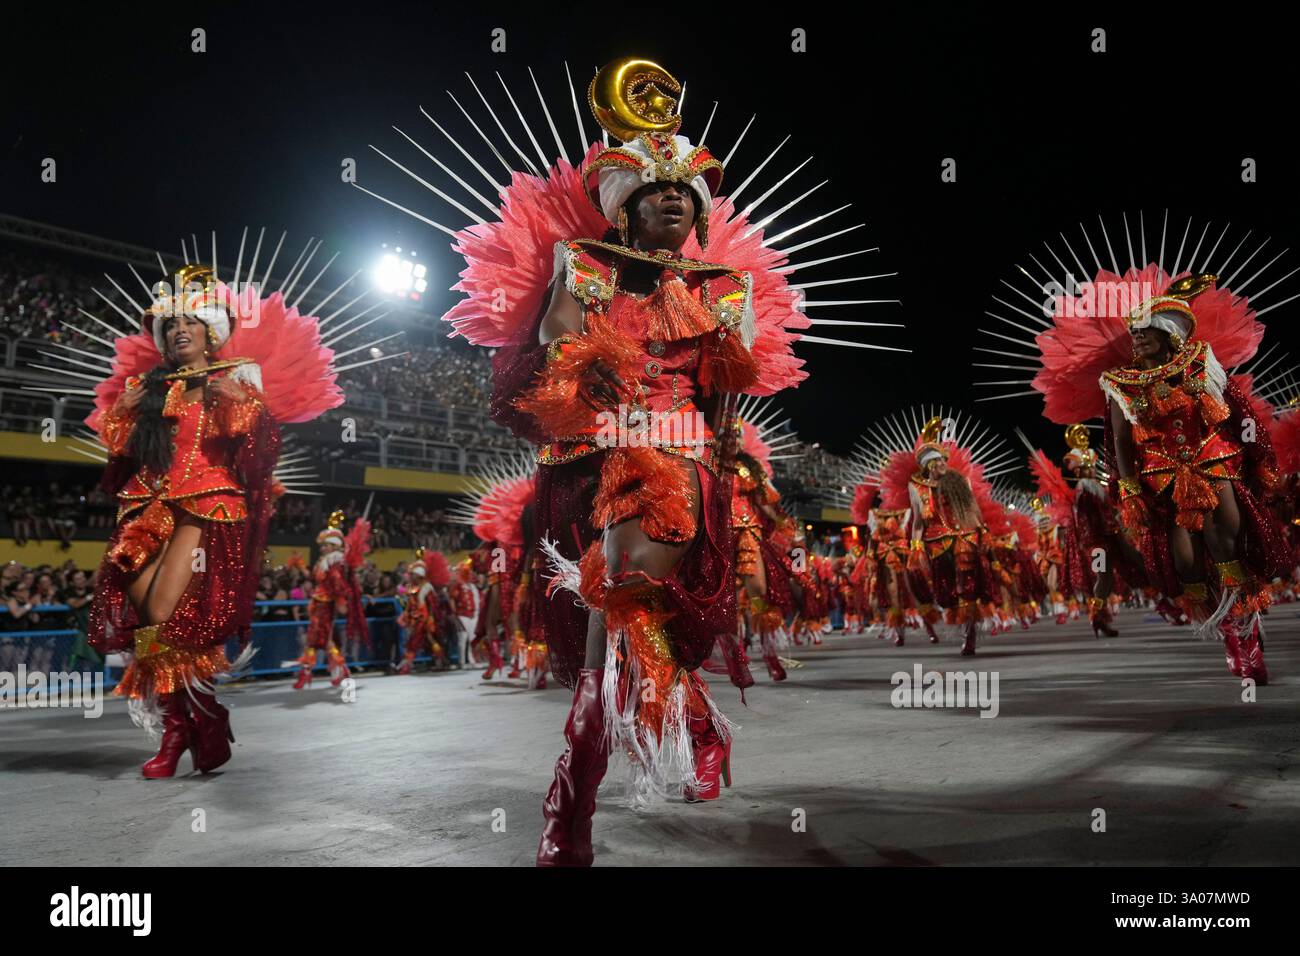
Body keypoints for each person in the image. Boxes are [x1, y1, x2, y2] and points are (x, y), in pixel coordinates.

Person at [81, 260, 348, 776]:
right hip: (145, 506)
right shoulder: (149, 387)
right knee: (148, 628)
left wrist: (244, 409)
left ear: (211, 330)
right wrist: (126, 410)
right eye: (171, 324)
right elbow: (119, 460)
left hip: (206, 505)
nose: (180, 331)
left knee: (162, 612)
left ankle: (185, 729)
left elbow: (258, 457)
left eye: (191, 322)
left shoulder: (236, 377)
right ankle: (186, 726)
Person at [294, 511, 371, 688]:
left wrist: (341, 602)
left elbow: (338, 584)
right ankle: (337, 670)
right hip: (320, 603)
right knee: (321, 639)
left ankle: (309, 671)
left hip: (326, 604)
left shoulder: (333, 561)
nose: (322, 548)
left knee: (317, 638)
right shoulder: (326, 561)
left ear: (335, 547)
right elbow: (320, 581)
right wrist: (299, 566)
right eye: (322, 546)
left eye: (326, 545)